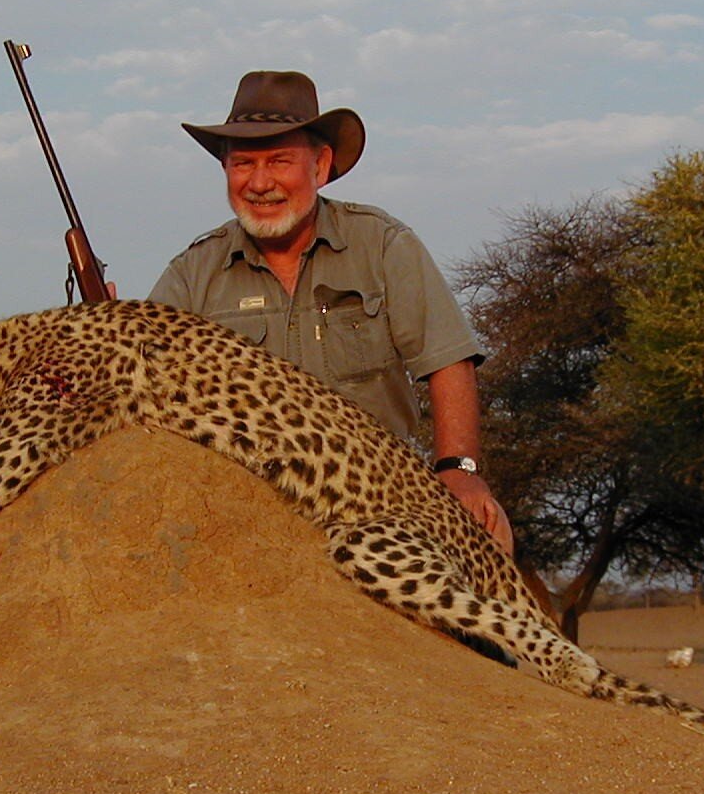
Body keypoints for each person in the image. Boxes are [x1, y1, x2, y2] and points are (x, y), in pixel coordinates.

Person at [148, 70, 513, 555]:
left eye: (279, 160)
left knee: (487, 545)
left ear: (320, 166)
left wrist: (458, 471)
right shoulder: (192, 273)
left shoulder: (383, 244)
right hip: (244, 512)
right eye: (242, 165)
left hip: (382, 501)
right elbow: (138, 376)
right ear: (225, 171)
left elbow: (447, 360)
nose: (259, 183)